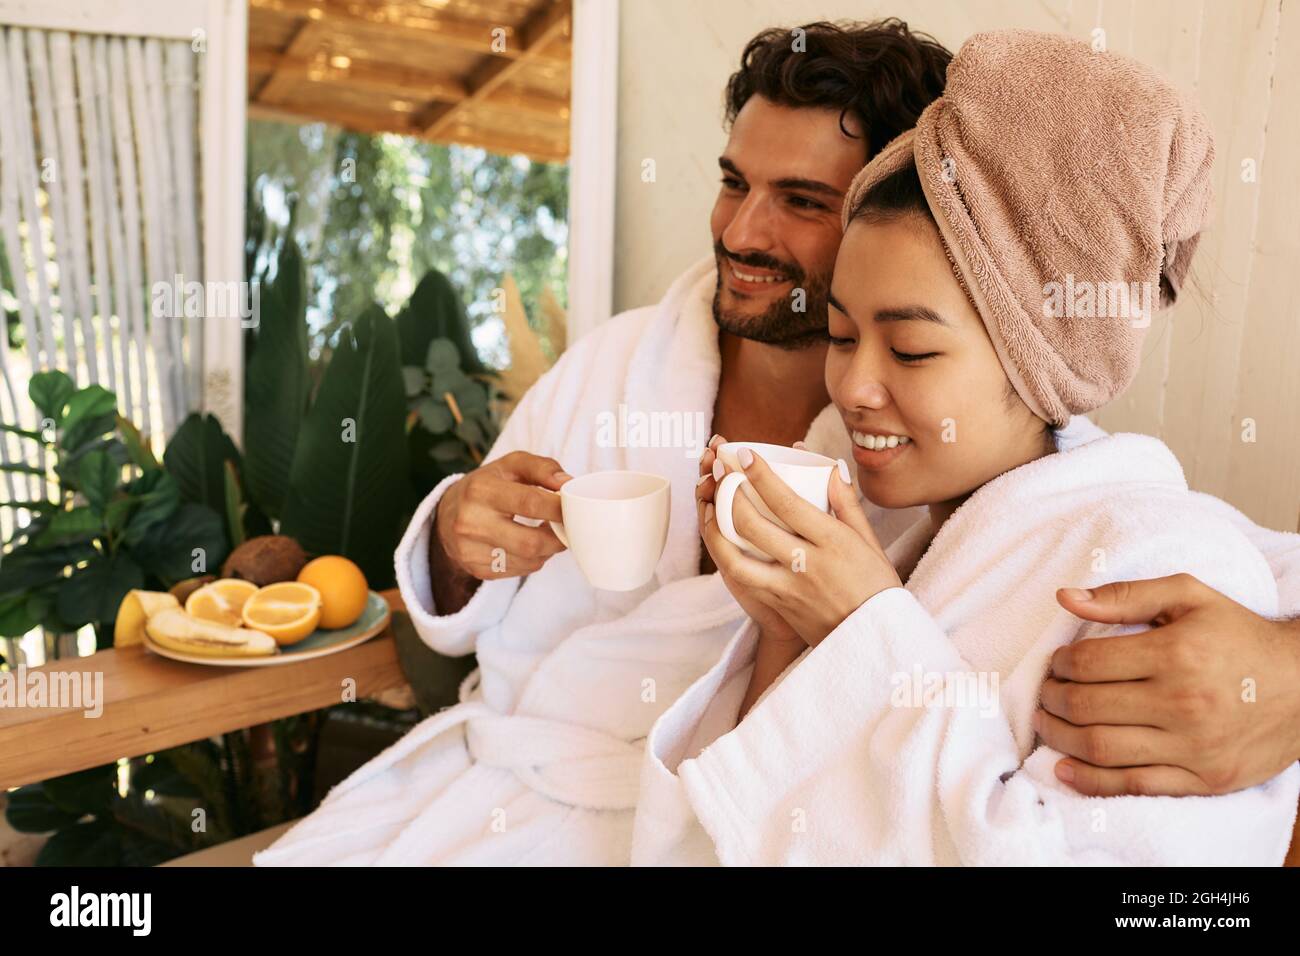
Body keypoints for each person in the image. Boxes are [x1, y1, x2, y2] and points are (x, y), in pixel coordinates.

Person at [256, 21, 1300, 866]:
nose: (742, 232)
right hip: (517, 782)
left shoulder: (983, 470)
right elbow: (475, 607)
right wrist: (454, 536)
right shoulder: (621, 363)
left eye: (801, 201)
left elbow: (1218, 560)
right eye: (732, 182)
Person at [636, 28, 1299, 865]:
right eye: (841, 336)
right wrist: (785, 630)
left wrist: (861, 630)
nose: (853, 387)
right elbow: (740, 827)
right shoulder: (905, 527)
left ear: (1040, 364)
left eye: (910, 350)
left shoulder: (1153, 576)